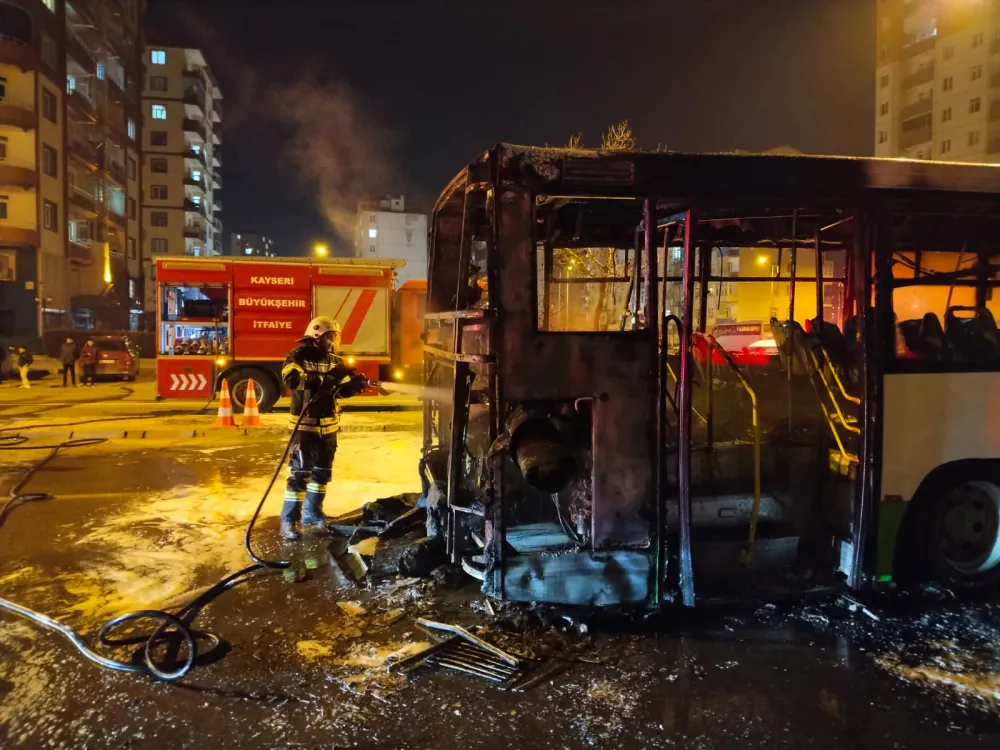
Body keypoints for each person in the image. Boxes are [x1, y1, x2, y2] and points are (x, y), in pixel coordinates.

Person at [279, 316, 368, 540]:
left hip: (329, 428)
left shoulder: (335, 360)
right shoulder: (298, 356)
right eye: (330, 337)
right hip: (305, 427)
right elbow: (292, 380)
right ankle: (289, 521)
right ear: (317, 336)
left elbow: (337, 392)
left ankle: (313, 514)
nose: (333, 342)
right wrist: (327, 378)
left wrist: (353, 387)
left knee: (322, 474)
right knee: (300, 474)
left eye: (335, 337)